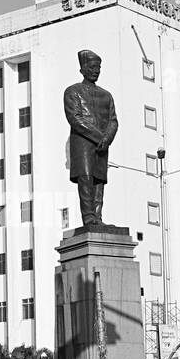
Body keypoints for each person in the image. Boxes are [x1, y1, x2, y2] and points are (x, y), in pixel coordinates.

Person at [63, 49, 119, 226]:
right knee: (86, 178)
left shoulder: (106, 95)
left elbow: (113, 120)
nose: (96, 70)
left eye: (99, 67)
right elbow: (75, 118)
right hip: (83, 143)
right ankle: (88, 217)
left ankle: (98, 217)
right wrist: (99, 137)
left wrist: (107, 139)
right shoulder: (73, 91)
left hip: (102, 145)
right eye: (93, 67)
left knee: (99, 180)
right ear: (82, 69)